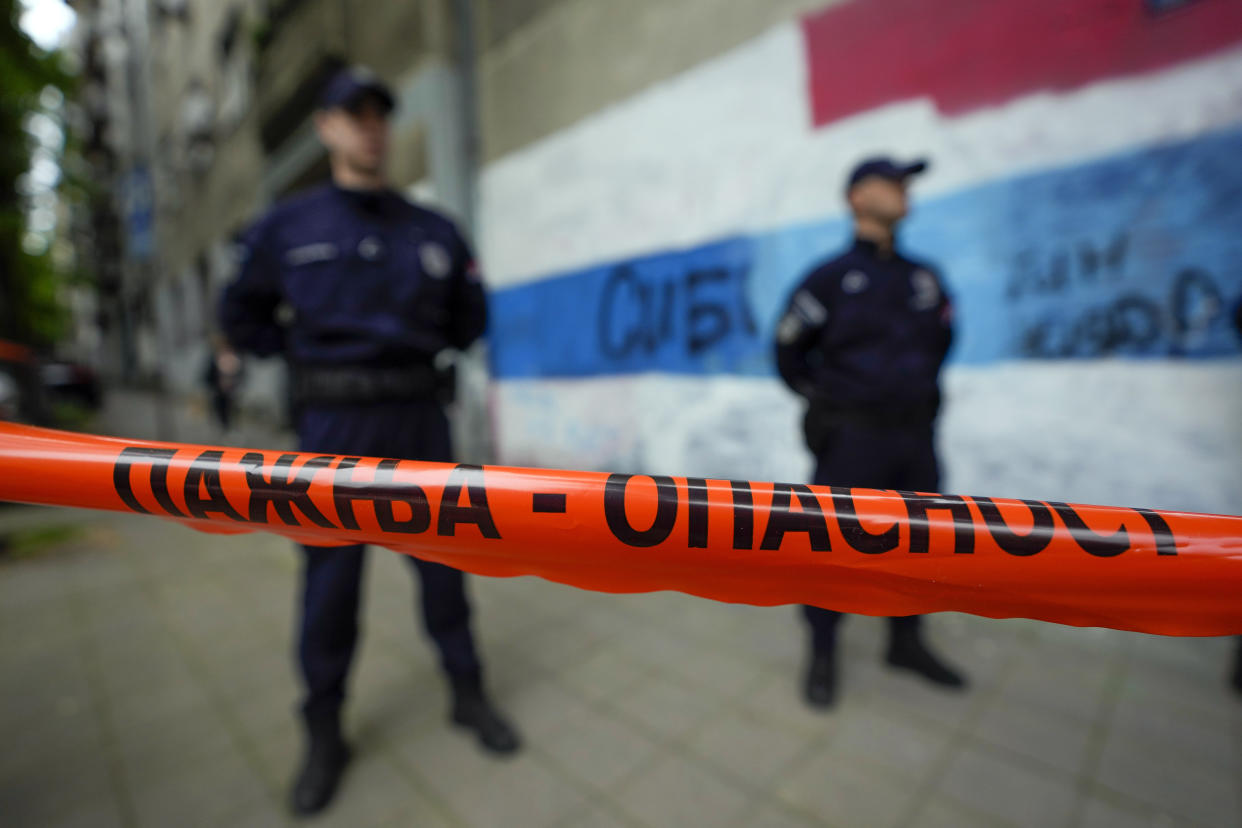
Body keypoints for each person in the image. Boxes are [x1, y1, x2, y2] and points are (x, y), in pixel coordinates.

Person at [219, 66, 520, 817]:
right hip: (332, 432)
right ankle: (324, 731)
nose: (369, 127)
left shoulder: (433, 229)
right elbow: (244, 319)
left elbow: (468, 321)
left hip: (420, 421)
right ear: (325, 128)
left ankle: (467, 691)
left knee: (447, 570)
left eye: (379, 114)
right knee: (329, 589)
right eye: (352, 115)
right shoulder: (286, 228)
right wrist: (306, 361)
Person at [774, 156, 968, 709]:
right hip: (852, 440)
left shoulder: (922, 277)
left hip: (915, 438)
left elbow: (943, 342)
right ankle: (823, 651)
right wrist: (829, 403)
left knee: (920, 546)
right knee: (831, 549)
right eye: (892, 182)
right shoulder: (829, 279)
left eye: (906, 184)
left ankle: (905, 643)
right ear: (857, 197)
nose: (904, 191)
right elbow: (787, 352)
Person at [203, 336, 243, 433]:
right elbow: (209, 373)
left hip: (232, 390)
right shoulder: (214, 358)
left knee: (232, 410)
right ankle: (222, 428)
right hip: (218, 391)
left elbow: (241, 373)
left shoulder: (235, 358)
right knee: (219, 409)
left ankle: (231, 429)